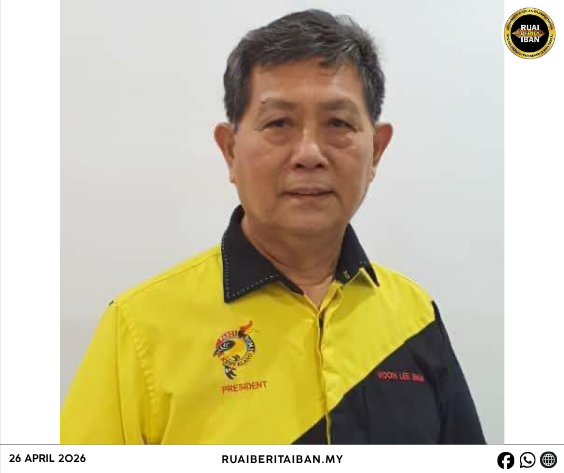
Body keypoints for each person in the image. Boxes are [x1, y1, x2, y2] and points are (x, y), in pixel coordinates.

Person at [61, 9, 485, 445]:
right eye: (279, 123)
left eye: (338, 123)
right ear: (230, 150)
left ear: (376, 150)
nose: (308, 154)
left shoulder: (415, 316)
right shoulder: (138, 328)